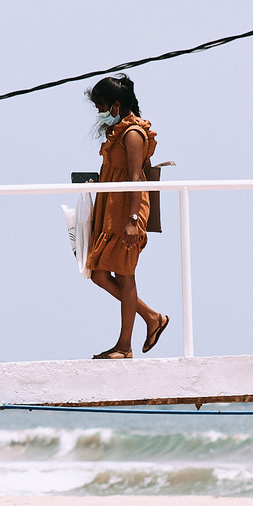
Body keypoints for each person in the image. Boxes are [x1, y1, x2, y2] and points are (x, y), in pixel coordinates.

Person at [84, 74, 168, 358]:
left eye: (101, 106)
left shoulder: (133, 134)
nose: (99, 112)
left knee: (125, 274)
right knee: (99, 273)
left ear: (116, 105)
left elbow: (135, 178)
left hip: (127, 211)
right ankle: (151, 317)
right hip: (112, 207)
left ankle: (125, 345)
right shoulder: (118, 132)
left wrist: (133, 221)